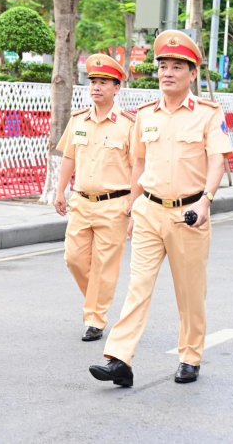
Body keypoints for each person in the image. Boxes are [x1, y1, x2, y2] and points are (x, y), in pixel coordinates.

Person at [89, 30, 233, 386]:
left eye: (177, 66)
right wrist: (133, 204)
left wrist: (206, 201)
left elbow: (217, 161)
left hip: (189, 214)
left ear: (193, 73)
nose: (167, 72)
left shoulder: (209, 114)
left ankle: (190, 356)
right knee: (138, 286)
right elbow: (139, 163)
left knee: (189, 291)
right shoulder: (145, 115)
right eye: (163, 66)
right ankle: (119, 358)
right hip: (149, 211)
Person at [55, 54, 135, 341]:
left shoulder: (128, 124)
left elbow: (138, 166)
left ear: (116, 88)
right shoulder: (79, 120)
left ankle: (95, 320)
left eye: (103, 82)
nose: (96, 87)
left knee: (104, 265)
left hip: (115, 204)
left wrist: (133, 205)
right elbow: (68, 157)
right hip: (81, 201)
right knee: (73, 259)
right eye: (93, 82)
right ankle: (96, 302)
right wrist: (60, 189)